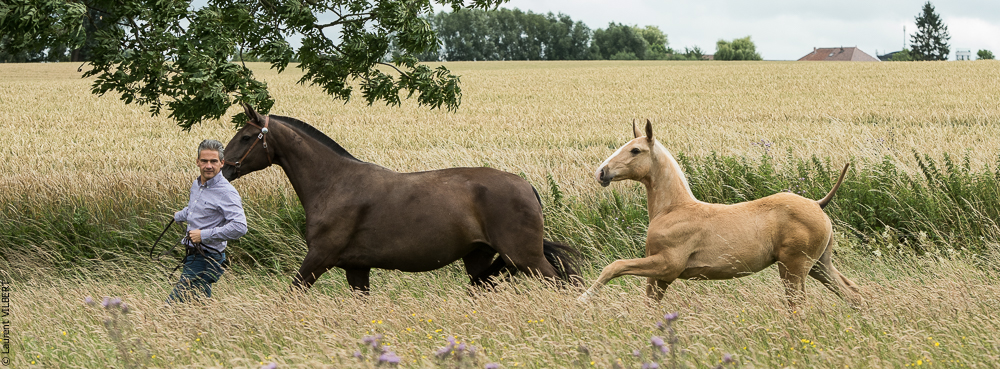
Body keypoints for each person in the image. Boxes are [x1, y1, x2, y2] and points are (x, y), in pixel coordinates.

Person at [167, 139, 247, 303]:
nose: (208, 165)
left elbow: (240, 227)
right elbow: (196, 210)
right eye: (204, 161)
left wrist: (204, 235)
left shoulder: (226, 192)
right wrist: (179, 216)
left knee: (172, 308)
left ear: (222, 163)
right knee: (199, 307)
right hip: (193, 255)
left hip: (207, 258)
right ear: (197, 162)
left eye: (213, 161)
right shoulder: (197, 185)